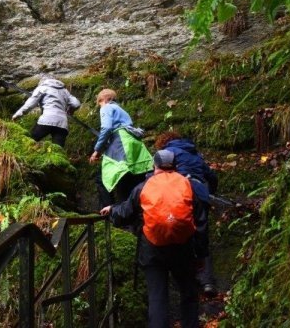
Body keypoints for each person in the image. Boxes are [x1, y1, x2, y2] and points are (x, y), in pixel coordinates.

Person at [100, 149, 209, 328]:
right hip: (183, 249)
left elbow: (125, 213)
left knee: (158, 298)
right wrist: (201, 255)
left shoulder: (144, 186)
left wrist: (112, 209)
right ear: (175, 166)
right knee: (188, 294)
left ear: (154, 166)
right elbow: (201, 222)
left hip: (152, 249)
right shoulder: (187, 184)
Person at [155, 131, 219, 297]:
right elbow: (212, 176)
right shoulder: (195, 154)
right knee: (201, 234)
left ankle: (183, 279)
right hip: (200, 194)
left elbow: (161, 175)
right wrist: (208, 192)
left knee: (180, 231)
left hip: (180, 194)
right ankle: (207, 282)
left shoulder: (168, 154)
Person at [89, 88, 153, 207]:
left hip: (121, 144)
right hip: (133, 143)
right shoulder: (121, 110)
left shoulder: (106, 107)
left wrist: (97, 151)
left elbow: (107, 128)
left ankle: (114, 213)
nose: (100, 107)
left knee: (117, 176)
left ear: (104, 100)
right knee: (134, 178)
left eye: (99, 103)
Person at [11, 77, 81, 147]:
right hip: (62, 123)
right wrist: (70, 110)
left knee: (30, 142)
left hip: (47, 119)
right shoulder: (64, 91)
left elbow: (29, 105)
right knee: (58, 149)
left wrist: (17, 115)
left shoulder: (42, 88)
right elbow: (76, 103)